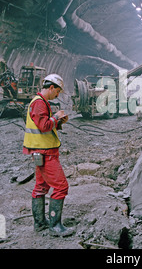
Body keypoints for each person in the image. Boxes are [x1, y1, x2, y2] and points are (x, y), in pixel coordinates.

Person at [23, 73, 74, 237]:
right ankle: (55, 226)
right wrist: (55, 117)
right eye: (57, 91)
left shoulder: (40, 102)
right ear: (51, 87)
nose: (57, 95)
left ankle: (39, 224)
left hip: (42, 152)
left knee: (41, 187)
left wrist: (58, 122)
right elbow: (44, 126)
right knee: (61, 187)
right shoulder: (39, 103)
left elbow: (43, 126)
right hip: (46, 154)